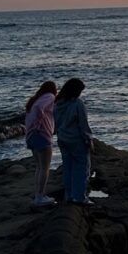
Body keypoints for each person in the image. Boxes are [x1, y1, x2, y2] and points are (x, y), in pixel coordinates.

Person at [54, 77, 94, 205]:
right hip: (76, 140)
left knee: (68, 167)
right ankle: (80, 197)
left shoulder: (57, 103)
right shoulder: (78, 104)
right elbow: (83, 124)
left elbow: (55, 124)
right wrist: (89, 140)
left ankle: (69, 195)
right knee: (82, 168)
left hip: (62, 139)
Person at [24, 80, 58, 207]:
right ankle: (40, 197)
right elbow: (40, 109)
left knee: (39, 167)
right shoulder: (50, 97)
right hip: (41, 135)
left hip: (31, 136)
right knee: (45, 168)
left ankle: (38, 195)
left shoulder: (34, 100)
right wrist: (40, 124)